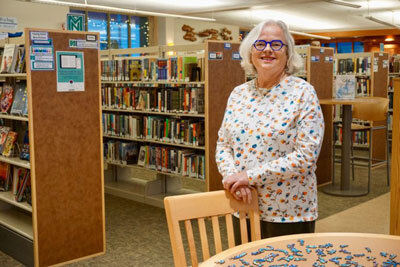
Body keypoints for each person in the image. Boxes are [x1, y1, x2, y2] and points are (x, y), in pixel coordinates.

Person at [215, 19, 325, 241]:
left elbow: (306, 156)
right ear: (250, 53)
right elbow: (223, 144)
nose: (267, 49)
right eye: (260, 44)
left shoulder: (303, 93)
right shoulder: (238, 93)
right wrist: (233, 178)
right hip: (243, 205)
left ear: (288, 55)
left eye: (276, 45)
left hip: (288, 213)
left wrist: (249, 177)